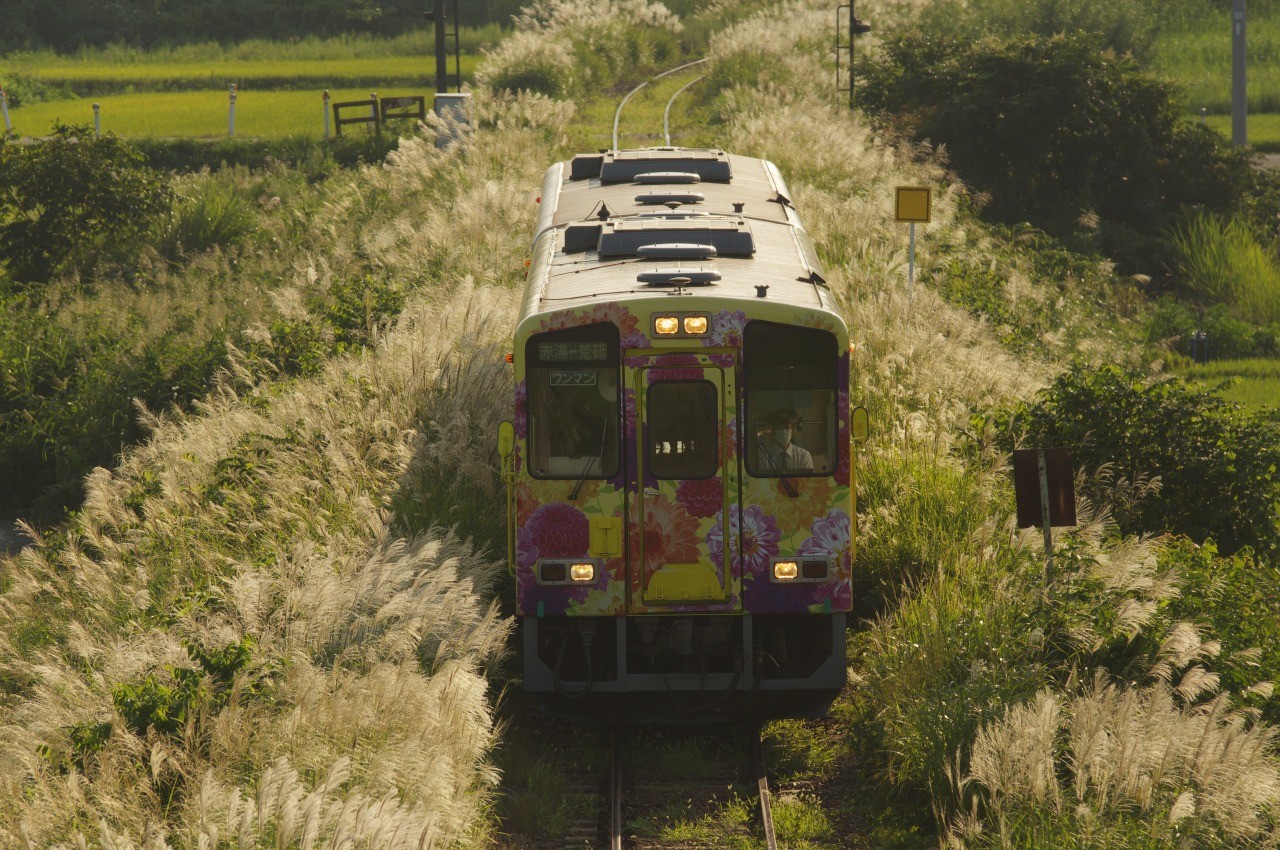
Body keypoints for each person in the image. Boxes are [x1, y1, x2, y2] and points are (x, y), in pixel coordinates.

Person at [758, 408, 813, 472]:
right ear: (773, 430)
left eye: (787, 428)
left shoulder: (803, 456)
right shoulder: (763, 455)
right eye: (779, 428)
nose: (783, 431)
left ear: (793, 430)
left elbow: (807, 481)